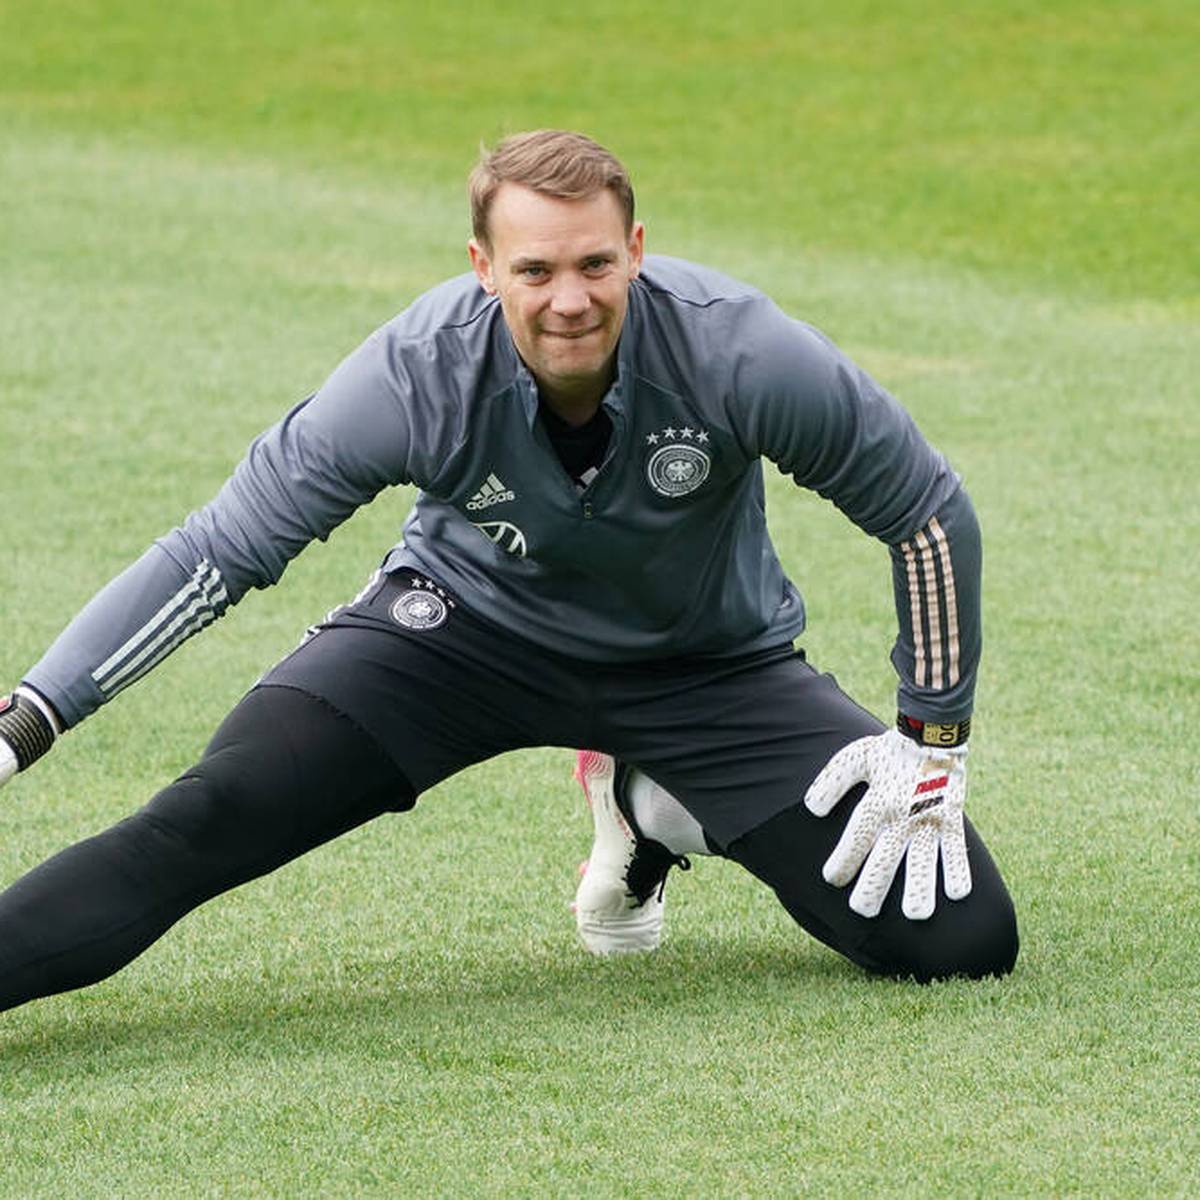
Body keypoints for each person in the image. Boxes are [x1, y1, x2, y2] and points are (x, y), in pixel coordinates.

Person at [0, 130, 1017, 1012]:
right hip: (454, 636)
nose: (570, 299)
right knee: (211, 815)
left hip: (705, 667)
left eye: (595, 264)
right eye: (535, 270)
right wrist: (29, 719)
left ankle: (655, 806)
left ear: (636, 251)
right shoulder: (413, 373)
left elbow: (926, 513)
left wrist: (932, 738)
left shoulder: (740, 351)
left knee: (960, 936)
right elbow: (217, 552)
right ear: (483, 267)